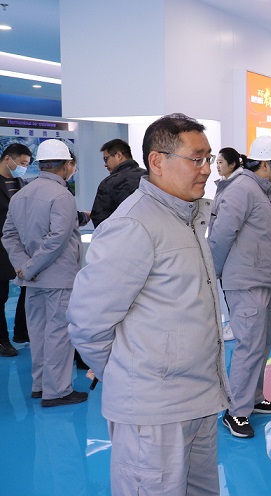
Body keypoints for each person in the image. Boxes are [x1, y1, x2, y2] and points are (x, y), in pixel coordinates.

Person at [67, 114, 231, 495]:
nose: (207, 169)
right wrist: (129, 374)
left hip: (199, 400)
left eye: (208, 158)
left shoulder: (188, 217)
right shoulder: (135, 224)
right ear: (157, 161)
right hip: (153, 413)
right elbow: (88, 321)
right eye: (197, 159)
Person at [209, 135, 271, 438]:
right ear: (265, 163)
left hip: (261, 279)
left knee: (261, 344)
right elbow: (220, 236)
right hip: (245, 281)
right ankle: (236, 412)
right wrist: (212, 276)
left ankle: (253, 398)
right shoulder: (242, 189)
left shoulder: (260, 190)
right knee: (249, 346)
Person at [2, 139, 88, 406]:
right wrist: (30, 267)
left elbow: (8, 235)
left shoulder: (21, 195)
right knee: (59, 334)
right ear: (66, 165)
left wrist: (24, 267)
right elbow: (57, 239)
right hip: (58, 278)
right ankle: (58, 391)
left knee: (38, 333)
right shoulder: (62, 196)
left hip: (32, 280)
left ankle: (40, 385)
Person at [0, 143, 32, 356]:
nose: (24, 168)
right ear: (7, 159)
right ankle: (2, 340)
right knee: (1, 295)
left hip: (21, 247)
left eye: (27, 164)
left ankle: (22, 332)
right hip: (1, 247)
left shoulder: (22, 184)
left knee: (28, 289)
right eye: (22, 163)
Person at [215, 146, 243, 342]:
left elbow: (228, 224)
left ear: (232, 164)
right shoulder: (226, 184)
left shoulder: (235, 187)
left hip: (233, 248)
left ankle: (236, 325)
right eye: (216, 162)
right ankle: (235, 323)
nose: (217, 166)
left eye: (221, 162)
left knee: (234, 290)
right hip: (228, 247)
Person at [90, 138, 146, 227]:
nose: (105, 164)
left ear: (119, 155)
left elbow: (100, 220)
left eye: (106, 159)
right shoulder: (149, 177)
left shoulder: (109, 183)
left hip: (121, 234)